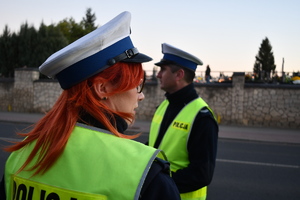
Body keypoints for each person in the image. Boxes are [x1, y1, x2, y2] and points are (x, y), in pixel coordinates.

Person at [0, 12, 180, 200]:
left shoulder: (23, 152)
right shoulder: (145, 173)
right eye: (137, 85)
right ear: (102, 88)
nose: (141, 95)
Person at [148, 43, 218, 200]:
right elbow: (156, 145)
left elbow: (201, 174)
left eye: (163, 69)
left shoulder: (202, 117)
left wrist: (159, 182)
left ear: (179, 75)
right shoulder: (165, 105)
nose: (158, 75)